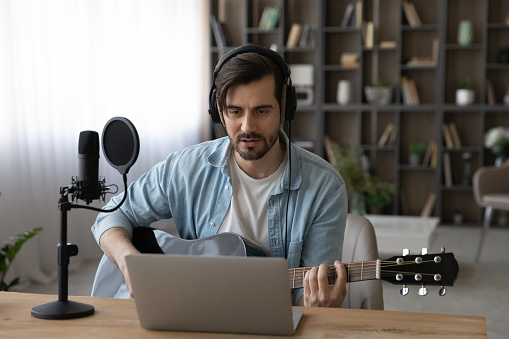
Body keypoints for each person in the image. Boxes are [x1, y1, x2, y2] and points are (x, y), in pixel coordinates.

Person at [91, 44, 348, 307]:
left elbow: (312, 295)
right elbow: (111, 214)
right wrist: (129, 263)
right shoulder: (186, 167)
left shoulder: (324, 188)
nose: (247, 127)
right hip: (191, 314)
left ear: (284, 108)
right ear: (219, 112)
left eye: (261, 111)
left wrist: (318, 305)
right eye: (235, 111)